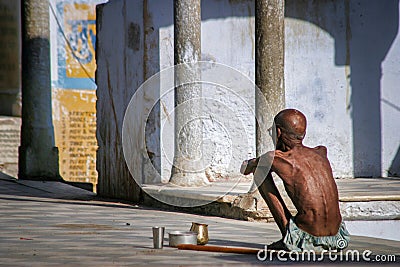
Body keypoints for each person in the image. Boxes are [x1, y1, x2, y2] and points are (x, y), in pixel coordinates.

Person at [241, 109, 350, 252]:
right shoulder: (321, 152)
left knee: (259, 171)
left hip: (306, 238)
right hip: (337, 237)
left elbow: (245, 169)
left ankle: (289, 238)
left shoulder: (276, 158)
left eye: (271, 131)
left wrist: (254, 163)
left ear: (278, 132)